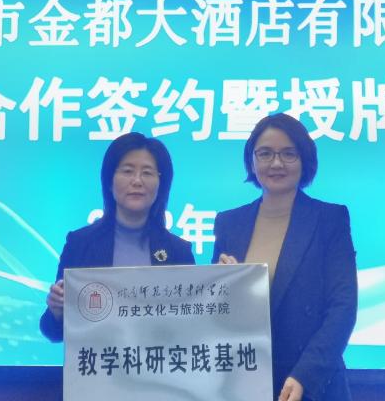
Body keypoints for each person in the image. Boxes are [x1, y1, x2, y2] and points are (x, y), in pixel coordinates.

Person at [213, 113, 357, 401]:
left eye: (288, 154)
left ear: (305, 160)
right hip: (246, 382)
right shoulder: (229, 223)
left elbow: (343, 308)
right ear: (252, 161)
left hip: (312, 384)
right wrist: (222, 287)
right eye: (265, 153)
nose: (276, 163)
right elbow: (216, 316)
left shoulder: (330, 219)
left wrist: (305, 375)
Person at [39, 132, 195, 341]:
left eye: (147, 173)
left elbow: (192, 327)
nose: (137, 181)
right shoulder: (80, 243)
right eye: (128, 171)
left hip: (159, 361)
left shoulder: (179, 252)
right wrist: (57, 311)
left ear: (161, 184)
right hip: (99, 361)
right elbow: (52, 332)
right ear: (109, 182)